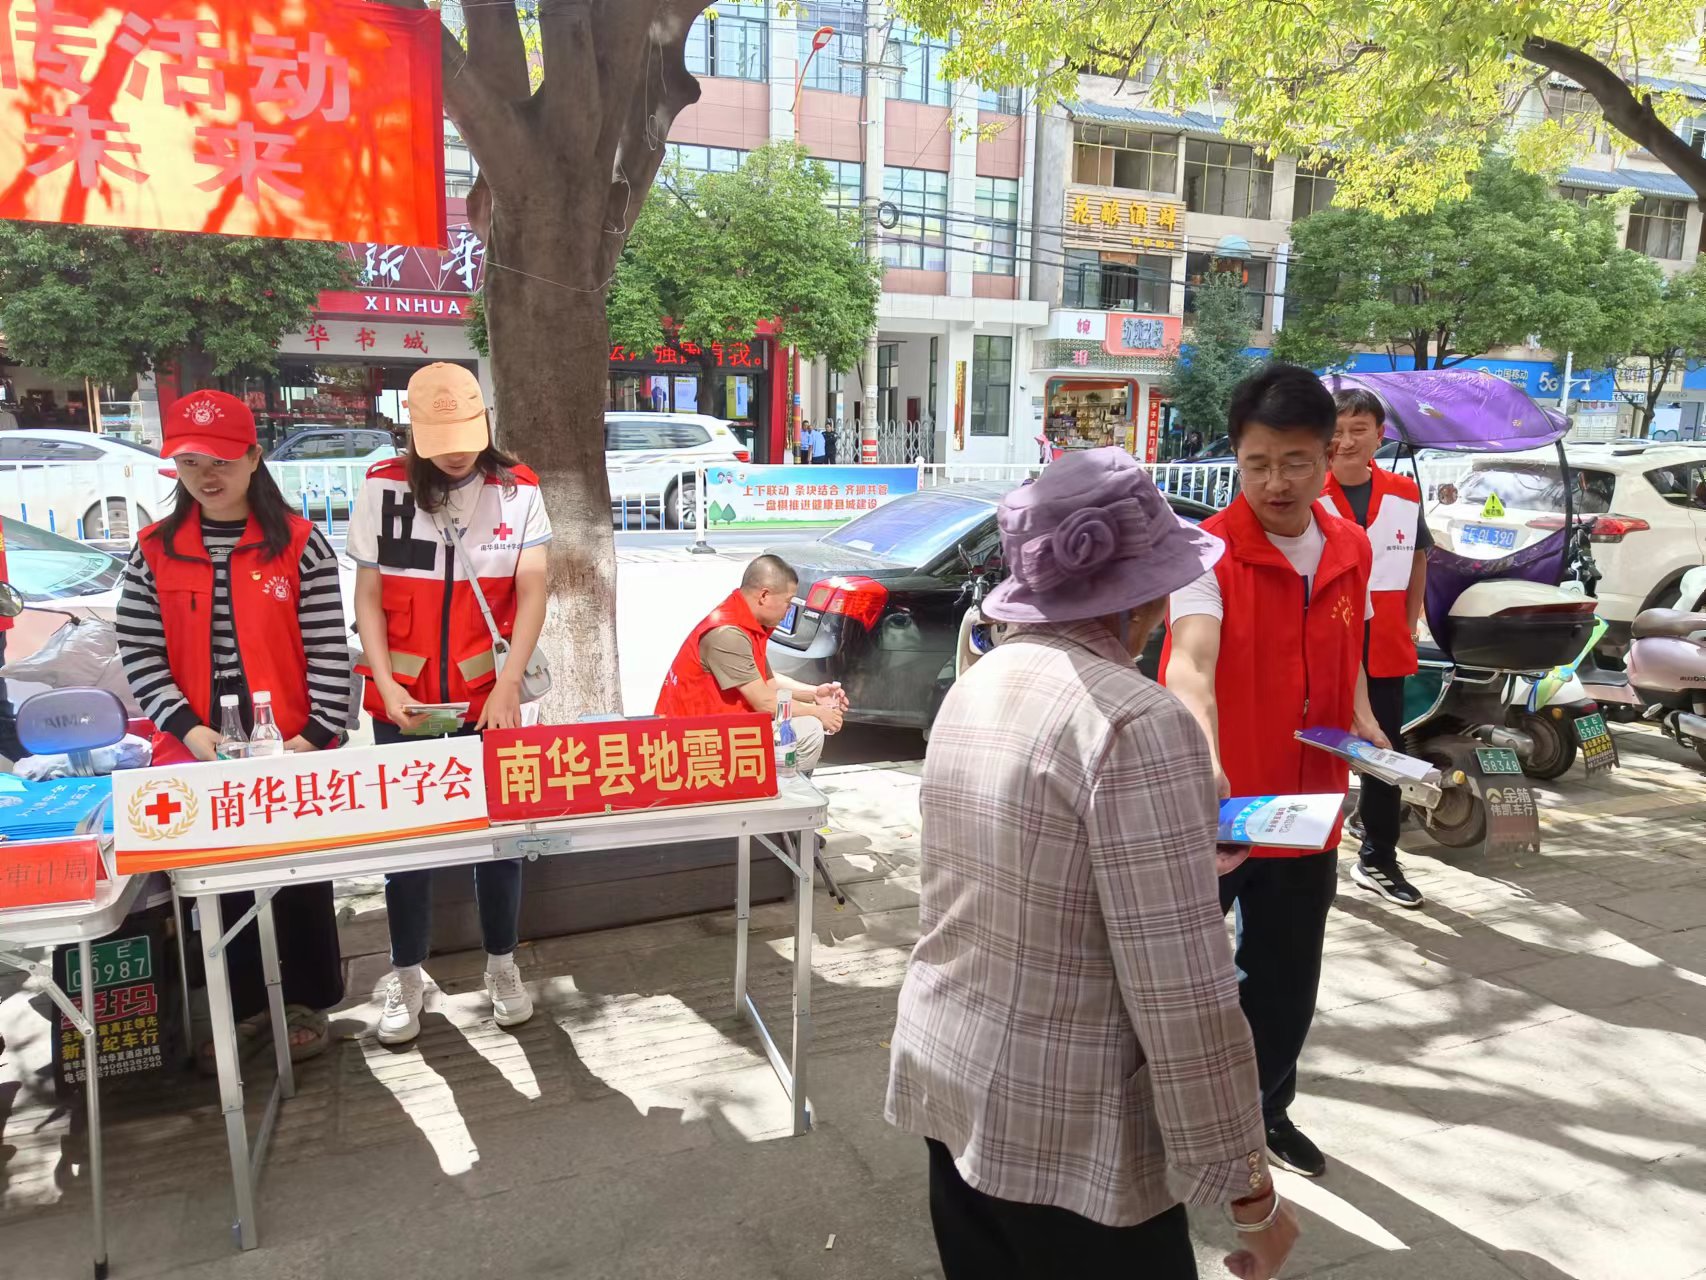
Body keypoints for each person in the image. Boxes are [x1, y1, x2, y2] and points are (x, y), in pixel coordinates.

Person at [887, 449, 1298, 1280]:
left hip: (951, 1069)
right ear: (1144, 596)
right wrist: (1247, 1188)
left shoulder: (977, 683)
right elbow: (1182, 988)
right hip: (1071, 1126)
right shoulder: (1138, 719)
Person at [1162, 363, 1384, 1181]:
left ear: (1329, 455)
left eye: (1295, 462)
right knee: (1173, 977)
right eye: (1257, 464)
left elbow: (1350, 642)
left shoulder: (1351, 546)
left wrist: (1363, 717)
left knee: (1288, 980)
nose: (1275, 483)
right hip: (1217, 810)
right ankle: (1159, 1117)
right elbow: (1190, 663)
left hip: (1308, 810)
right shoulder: (1205, 554)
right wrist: (1205, 758)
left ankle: (1264, 1112)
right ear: (1236, 458)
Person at [116, 390, 348, 1069]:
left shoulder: (300, 545)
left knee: (296, 870)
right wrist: (190, 732)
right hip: (197, 744)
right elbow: (140, 651)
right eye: (189, 462)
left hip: (290, 740)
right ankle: (239, 1007)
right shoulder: (153, 550)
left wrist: (312, 738)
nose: (206, 476)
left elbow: (329, 650)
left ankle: (304, 1001)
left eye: (220, 460)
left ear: (253, 457)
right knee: (220, 883)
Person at [348, 363, 550, 1046]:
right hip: (402, 699)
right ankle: (407, 973)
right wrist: (385, 684)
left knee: (498, 837)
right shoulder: (382, 486)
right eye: (439, 442)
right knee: (409, 841)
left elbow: (532, 593)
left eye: (466, 437)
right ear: (412, 432)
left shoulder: (518, 490)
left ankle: (502, 963)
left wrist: (509, 684)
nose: (456, 454)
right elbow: (368, 597)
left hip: (487, 697)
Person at [1321, 386, 1430, 909]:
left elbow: (1419, 559)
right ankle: (1302, 853)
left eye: (1357, 430)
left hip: (1384, 641)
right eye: (1336, 430)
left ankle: (1379, 858)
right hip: (1321, 640)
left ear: (1379, 435)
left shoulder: (1404, 493)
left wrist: (1409, 624)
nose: (1345, 441)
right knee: (1313, 747)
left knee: (1384, 754)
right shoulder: (1307, 488)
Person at [655, 555, 846, 769]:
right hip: (694, 744)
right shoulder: (727, 633)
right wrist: (817, 712)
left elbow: (767, 682)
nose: (788, 611)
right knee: (808, 730)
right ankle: (787, 788)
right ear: (764, 595)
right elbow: (764, 701)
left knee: (802, 724)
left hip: (718, 732)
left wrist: (814, 694)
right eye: (788, 602)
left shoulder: (745, 622)